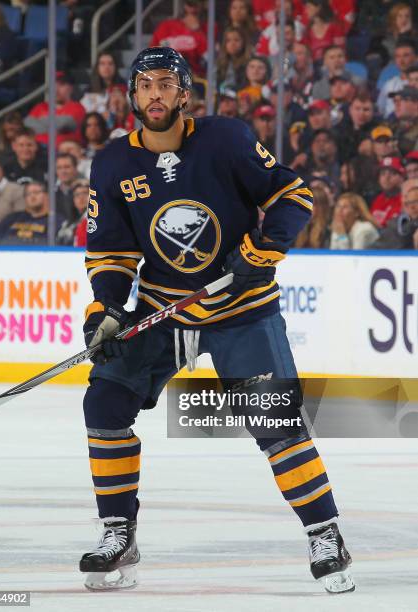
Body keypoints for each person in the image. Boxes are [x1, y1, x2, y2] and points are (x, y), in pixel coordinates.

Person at [79, 46, 355, 595]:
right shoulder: (112, 163)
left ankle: (326, 533)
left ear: (184, 93)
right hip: (163, 309)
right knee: (103, 402)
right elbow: (109, 252)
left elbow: (293, 195)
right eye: (144, 85)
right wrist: (105, 311)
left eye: (166, 83)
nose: (155, 94)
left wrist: (261, 252)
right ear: (131, 96)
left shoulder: (226, 138)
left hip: (240, 310)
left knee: (275, 420)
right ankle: (119, 532)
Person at [0, 181, 61, 245]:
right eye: (28, 194)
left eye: (36, 192)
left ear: (46, 195)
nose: (32, 196)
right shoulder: (12, 218)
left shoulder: (56, 221)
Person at [25, 72, 86, 147]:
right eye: (53, 85)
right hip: (39, 150)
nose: (56, 90)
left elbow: (65, 124)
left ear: (71, 88)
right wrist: (56, 128)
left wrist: (39, 123)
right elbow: (27, 125)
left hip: (65, 151)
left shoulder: (77, 107)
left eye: (61, 85)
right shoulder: (41, 106)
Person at [150, 0, 208, 76]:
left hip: (193, 78)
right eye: (190, 4)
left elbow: (209, 60)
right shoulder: (166, 26)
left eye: (196, 4)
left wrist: (197, 31)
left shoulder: (207, 28)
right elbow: (152, 55)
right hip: (166, 74)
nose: (192, 9)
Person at [377, 38, 417, 118]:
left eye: (406, 55)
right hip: (390, 126)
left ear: (416, 58)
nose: (401, 61)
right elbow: (380, 109)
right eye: (398, 56)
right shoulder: (389, 84)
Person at [372, 179, 418, 249]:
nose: (409, 202)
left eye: (415, 199)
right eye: (406, 196)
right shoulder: (394, 225)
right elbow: (373, 250)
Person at [370, 157, 405, 228]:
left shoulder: (406, 199)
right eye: (383, 174)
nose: (387, 178)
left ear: (403, 177)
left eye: (393, 173)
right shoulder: (378, 199)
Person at [216, 26, 251, 92]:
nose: (232, 44)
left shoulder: (250, 63)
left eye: (236, 40)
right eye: (228, 40)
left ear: (244, 43)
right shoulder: (220, 63)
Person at [56, 179, 89, 246]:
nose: (81, 197)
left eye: (85, 193)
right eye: (77, 195)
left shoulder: (94, 219)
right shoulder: (67, 223)